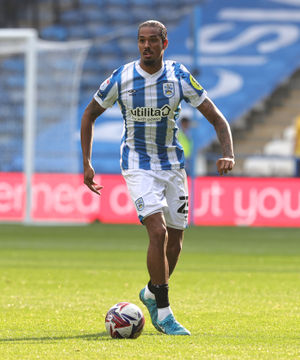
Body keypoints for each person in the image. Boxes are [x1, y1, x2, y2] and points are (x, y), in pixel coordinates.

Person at [81, 20, 235, 336]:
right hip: (137, 165)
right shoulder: (122, 78)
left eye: (152, 41)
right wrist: (87, 163)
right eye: (141, 40)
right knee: (157, 230)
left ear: (164, 44)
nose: (146, 46)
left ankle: (151, 293)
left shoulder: (178, 77)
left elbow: (217, 118)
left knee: (175, 243)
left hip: (173, 165)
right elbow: (89, 115)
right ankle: (164, 313)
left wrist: (228, 152)